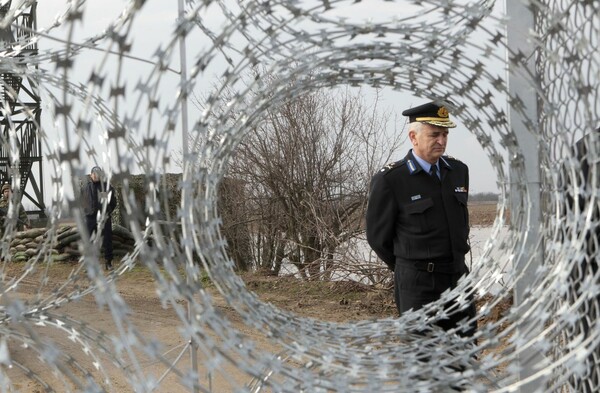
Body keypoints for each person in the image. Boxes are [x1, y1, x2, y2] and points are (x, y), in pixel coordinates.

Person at [366, 100, 476, 337]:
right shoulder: (391, 180)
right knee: (423, 361)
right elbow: (377, 238)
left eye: (445, 134)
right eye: (434, 134)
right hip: (418, 286)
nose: (442, 141)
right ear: (413, 137)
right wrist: (409, 266)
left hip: (458, 280)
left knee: (464, 356)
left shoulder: (458, 172)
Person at [81, 166, 117, 271]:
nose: (95, 175)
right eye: (94, 174)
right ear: (91, 175)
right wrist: (87, 212)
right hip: (90, 218)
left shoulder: (107, 187)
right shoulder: (85, 188)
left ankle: (108, 263)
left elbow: (113, 202)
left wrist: (107, 211)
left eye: (97, 174)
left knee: (107, 240)